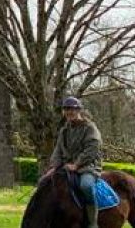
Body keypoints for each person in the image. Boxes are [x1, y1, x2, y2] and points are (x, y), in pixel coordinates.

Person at [44, 97, 103, 228]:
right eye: (66, 109)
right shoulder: (64, 130)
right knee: (45, 182)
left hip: (87, 167)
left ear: (79, 110)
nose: (69, 112)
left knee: (86, 186)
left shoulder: (90, 128)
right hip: (66, 167)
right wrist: (54, 166)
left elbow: (92, 149)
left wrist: (76, 164)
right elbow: (58, 150)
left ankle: (93, 222)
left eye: (72, 109)